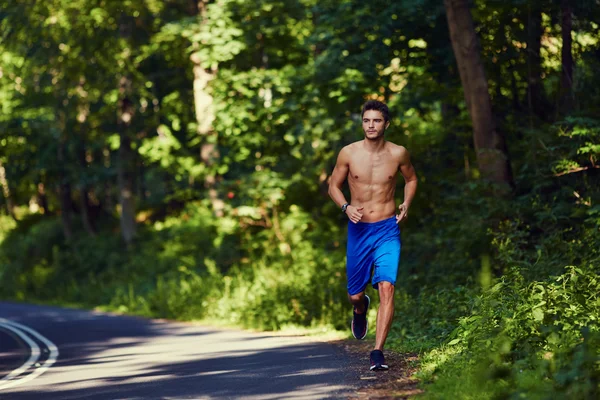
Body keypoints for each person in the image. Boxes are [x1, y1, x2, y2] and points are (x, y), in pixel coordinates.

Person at [328, 100, 418, 371]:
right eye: (367, 120)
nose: (371, 125)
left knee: (387, 286)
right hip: (359, 229)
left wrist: (406, 203)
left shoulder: (398, 153)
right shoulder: (349, 153)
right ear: (362, 123)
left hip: (387, 228)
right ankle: (359, 308)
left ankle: (377, 351)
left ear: (386, 124)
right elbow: (333, 185)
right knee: (355, 294)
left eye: (376, 121)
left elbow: (411, 179)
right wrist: (346, 207)